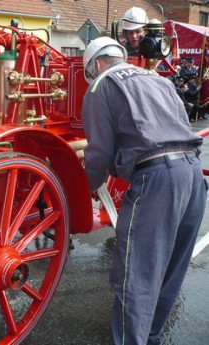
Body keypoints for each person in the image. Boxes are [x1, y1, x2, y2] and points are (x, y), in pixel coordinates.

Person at [81, 36, 207, 345]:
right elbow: (182, 122)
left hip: (157, 178)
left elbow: (99, 151)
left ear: (96, 64)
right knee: (170, 272)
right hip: (192, 172)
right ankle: (149, 338)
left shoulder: (101, 85)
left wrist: (88, 183)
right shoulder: (157, 78)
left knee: (135, 277)